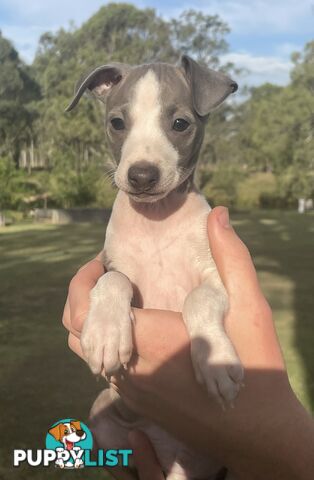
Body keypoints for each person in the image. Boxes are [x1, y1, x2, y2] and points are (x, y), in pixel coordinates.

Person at [62, 207, 314, 480]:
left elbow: (216, 289)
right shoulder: (122, 224)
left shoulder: (196, 222)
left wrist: (269, 438)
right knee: (101, 416)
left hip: (205, 454)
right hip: (134, 431)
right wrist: (110, 291)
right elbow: (114, 275)